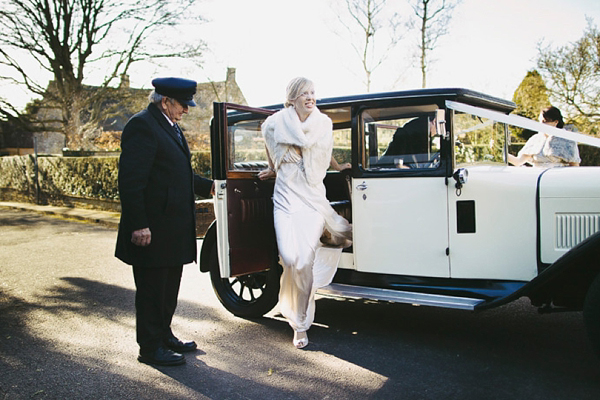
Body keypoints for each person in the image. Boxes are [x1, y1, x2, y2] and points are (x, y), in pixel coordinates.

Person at [115, 77, 214, 366]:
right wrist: (138, 224)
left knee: (168, 287)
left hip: (172, 228)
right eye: (183, 104)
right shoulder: (143, 125)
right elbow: (131, 181)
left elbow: (176, 173)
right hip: (152, 228)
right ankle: (149, 348)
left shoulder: (169, 125)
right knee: (151, 290)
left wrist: (208, 185)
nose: (186, 110)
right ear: (165, 100)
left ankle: (164, 335)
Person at [258, 77, 352, 349]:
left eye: (313, 93)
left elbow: (325, 152)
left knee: (303, 262)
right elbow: (269, 144)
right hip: (285, 200)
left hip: (311, 199)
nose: (310, 97)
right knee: (289, 259)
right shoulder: (274, 124)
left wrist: (338, 165)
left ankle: (299, 324)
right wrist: (272, 168)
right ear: (292, 98)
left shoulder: (323, 123)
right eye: (304, 93)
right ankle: (295, 303)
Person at [508, 106, 581, 167]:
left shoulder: (567, 140)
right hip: (537, 179)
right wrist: (500, 153)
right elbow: (518, 162)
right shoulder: (535, 139)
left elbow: (574, 166)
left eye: (545, 121)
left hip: (558, 180)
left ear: (556, 122)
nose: (541, 124)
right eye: (540, 121)